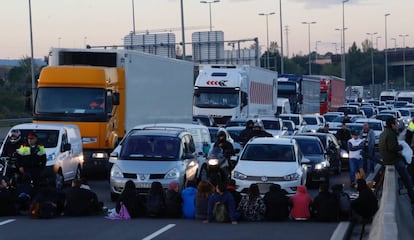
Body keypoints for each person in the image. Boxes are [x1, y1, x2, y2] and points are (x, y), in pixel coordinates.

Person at [379, 117, 414, 204]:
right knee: (407, 178)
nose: (398, 125)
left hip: (389, 158)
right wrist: (402, 147)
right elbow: (393, 147)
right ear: (392, 125)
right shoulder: (390, 134)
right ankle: (412, 196)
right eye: (396, 123)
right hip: (392, 160)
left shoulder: (385, 133)